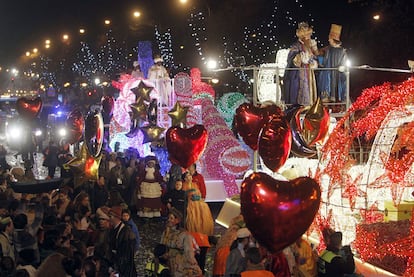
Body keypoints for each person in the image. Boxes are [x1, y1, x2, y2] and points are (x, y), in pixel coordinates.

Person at [283, 22, 319, 106]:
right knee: (297, 92)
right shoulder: (296, 46)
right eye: (307, 35)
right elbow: (292, 59)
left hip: (308, 72)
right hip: (298, 73)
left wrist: (313, 61)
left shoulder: (309, 46)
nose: (309, 37)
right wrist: (301, 58)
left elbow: (313, 57)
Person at [160, 207, 202, 276]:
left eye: (171, 218)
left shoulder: (184, 235)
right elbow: (161, 246)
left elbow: (189, 252)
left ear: (177, 220)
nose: (168, 220)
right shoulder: (165, 232)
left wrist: (192, 264)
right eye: (168, 218)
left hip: (180, 263)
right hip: (168, 263)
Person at [318, 24, 347, 103]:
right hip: (328, 74)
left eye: (330, 39)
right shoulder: (327, 49)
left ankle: (339, 103)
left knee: (339, 86)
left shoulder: (342, 51)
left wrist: (343, 67)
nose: (328, 40)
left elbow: (344, 62)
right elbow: (323, 61)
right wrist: (317, 58)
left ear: (333, 39)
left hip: (338, 73)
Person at [108, 205, 137, 277]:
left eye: (110, 217)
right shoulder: (114, 230)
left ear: (116, 217)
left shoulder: (126, 231)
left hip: (124, 269)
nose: (109, 219)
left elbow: (126, 256)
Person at [182, 171, 214, 236]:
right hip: (190, 202)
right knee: (193, 210)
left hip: (197, 201)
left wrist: (198, 198)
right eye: (188, 176)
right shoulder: (184, 185)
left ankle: (203, 231)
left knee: (204, 206)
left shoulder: (194, 184)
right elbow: (184, 196)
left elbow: (199, 193)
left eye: (190, 175)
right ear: (185, 178)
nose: (190, 177)